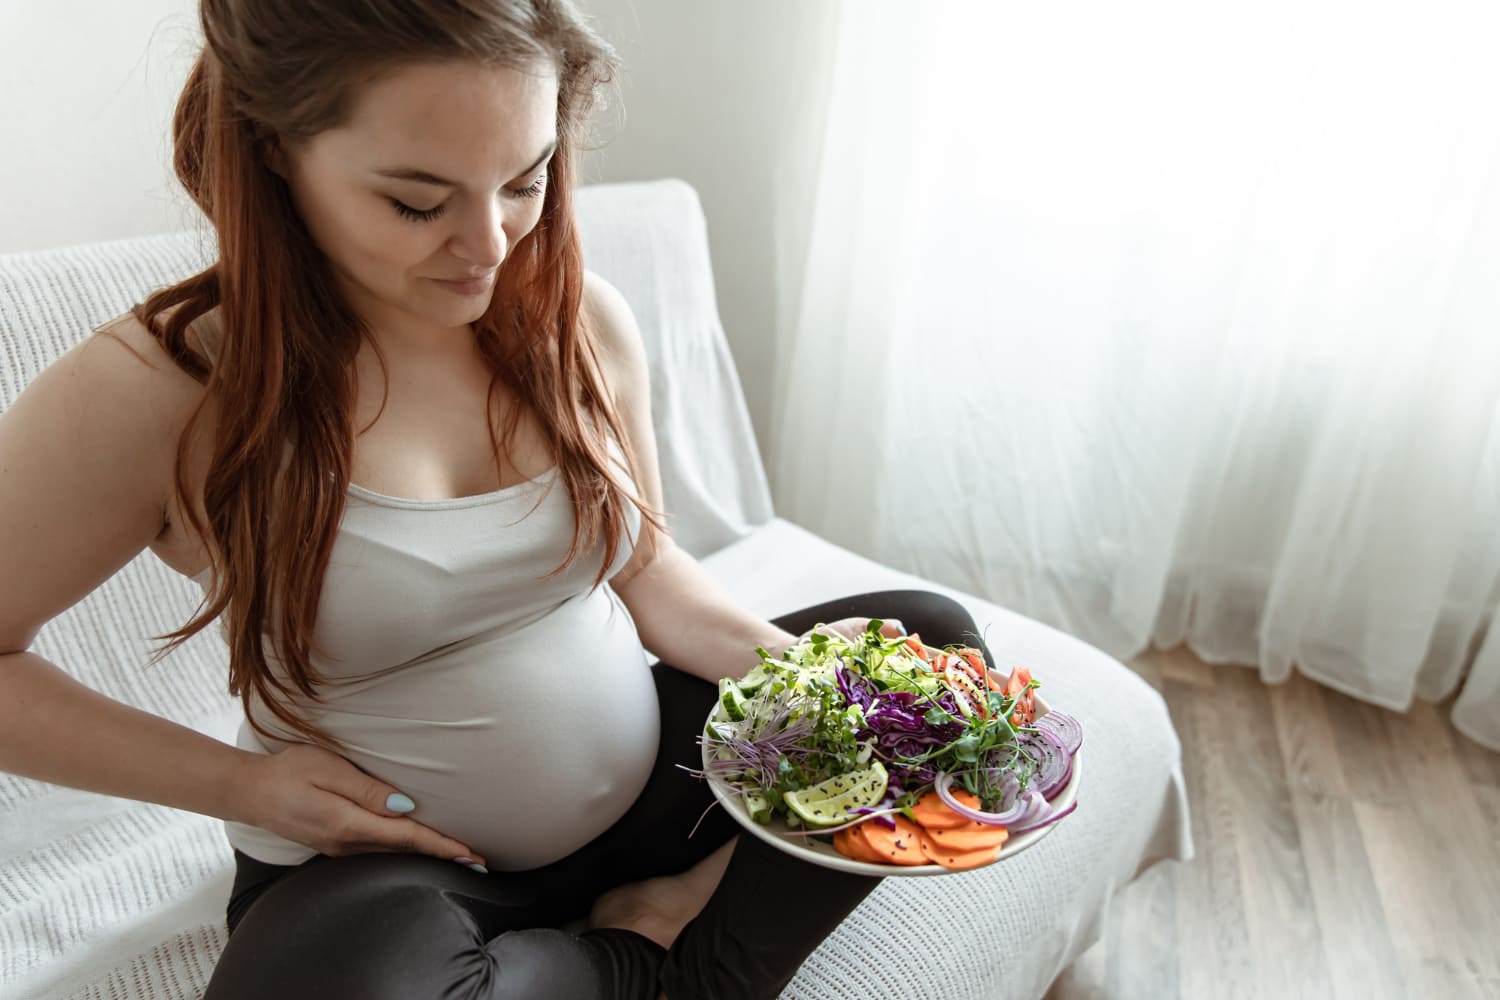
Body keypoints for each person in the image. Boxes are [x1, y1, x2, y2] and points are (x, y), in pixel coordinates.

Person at [0, 1, 997, 996]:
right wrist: (244, 785)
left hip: (658, 795)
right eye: (417, 202)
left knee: (929, 654)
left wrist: (846, 697)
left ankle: (680, 957)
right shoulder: (167, 386)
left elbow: (652, 576)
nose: (488, 244)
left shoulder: (576, 320)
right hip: (394, 873)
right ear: (273, 152)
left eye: (525, 180)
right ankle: (660, 953)